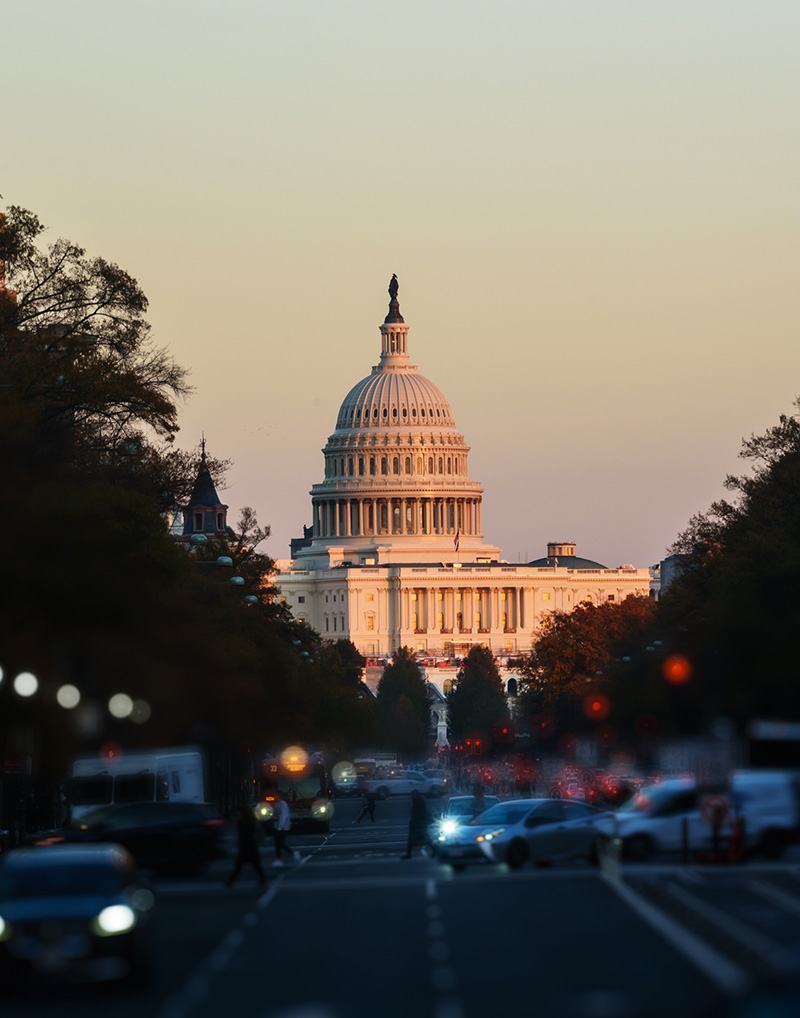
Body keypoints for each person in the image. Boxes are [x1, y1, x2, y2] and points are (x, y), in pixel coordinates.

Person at [226, 805, 266, 888]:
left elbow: (240, 834)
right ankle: (262, 880)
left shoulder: (240, 822)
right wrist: (258, 840)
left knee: (239, 865)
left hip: (245, 845)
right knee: (255, 864)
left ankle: (230, 881)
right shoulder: (252, 821)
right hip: (251, 845)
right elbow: (260, 833)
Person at [272, 791, 301, 867]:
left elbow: (283, 816)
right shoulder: (277, 804)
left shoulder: (283, 804)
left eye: (276, 796)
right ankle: (280, 859)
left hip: (283, 827)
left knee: (279, 844)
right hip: (278, 827)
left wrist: (279, 827)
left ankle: (288, 855)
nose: (275, 797)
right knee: (278, 844)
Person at [402, 789, 431, 859]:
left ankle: (408, 854)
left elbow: (416, 813)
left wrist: (414, 822)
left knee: (415, 839)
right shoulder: (419, 801)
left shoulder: (417, 802)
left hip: (417, 823)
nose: (411, 797)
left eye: (412, 795)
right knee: (424, 839)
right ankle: (408, 854)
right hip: (418, 823)